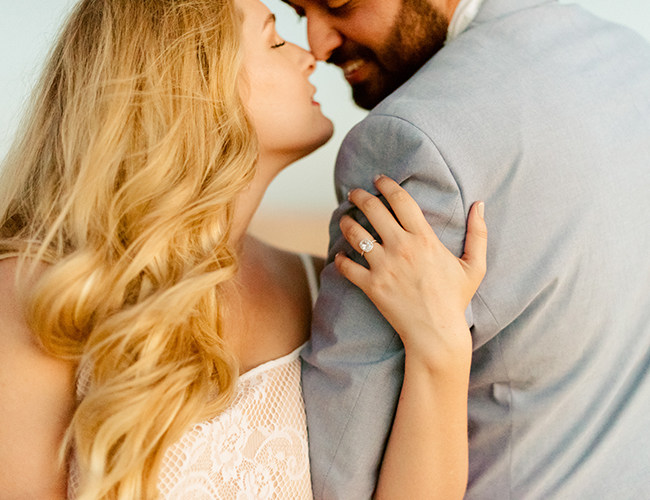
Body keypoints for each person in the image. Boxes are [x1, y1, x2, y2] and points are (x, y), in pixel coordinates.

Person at [0, 0, 487, 498]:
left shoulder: (319, 286)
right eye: (276, 39)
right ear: (194, 83)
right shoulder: (40, 296)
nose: (310, 54)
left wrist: (441, 348)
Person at [286, 0, 650, 498]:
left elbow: (338, 474)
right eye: (295, 12)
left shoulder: (414, 140)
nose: (317, 42)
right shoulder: (630, 56)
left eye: (337, 4)